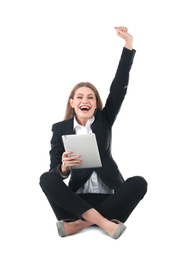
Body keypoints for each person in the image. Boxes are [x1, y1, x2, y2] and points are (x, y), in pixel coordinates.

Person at [39, 26, 147, 239]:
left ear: (96, 104)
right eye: (79, 97)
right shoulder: (60, 129)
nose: (85, 100)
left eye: (90, 97)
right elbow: (54, 172)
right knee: (45, 179)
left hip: (111, 200)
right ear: (72, 102)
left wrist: (128, 45)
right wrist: (63, 167)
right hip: (76, 201)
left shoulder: (104, 121)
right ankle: (104, 223)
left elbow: (119, 88)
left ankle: (78, 226)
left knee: (139, 183)